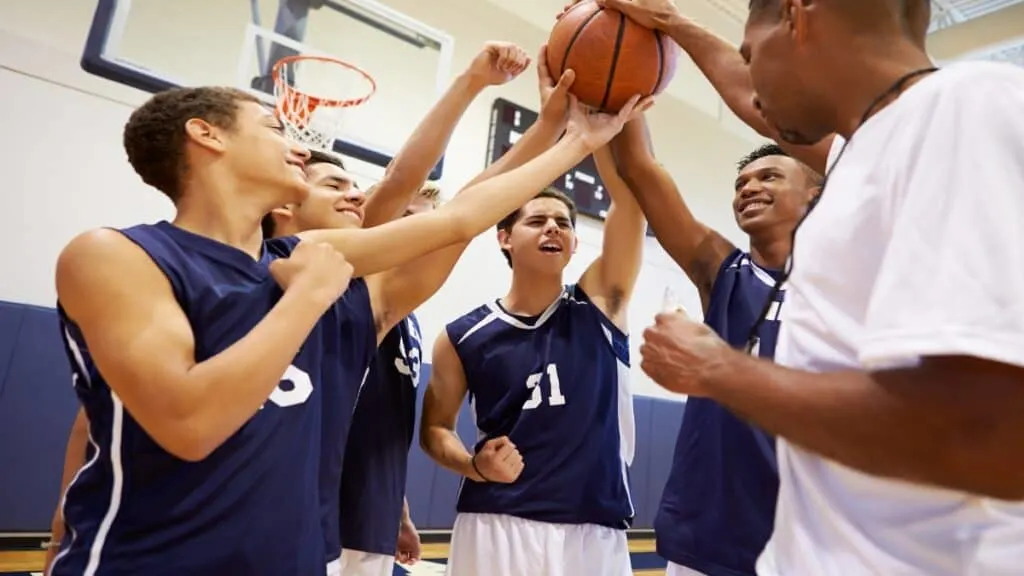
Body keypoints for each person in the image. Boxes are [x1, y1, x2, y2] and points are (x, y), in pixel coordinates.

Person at [49, 55, 648, 574]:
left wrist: (574, 139)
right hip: (149, 561)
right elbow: (191, 423)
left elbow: (457, 219)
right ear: (207, 136)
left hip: (303, 559)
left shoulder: (319, 259)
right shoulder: (115, 254)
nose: (299, 142)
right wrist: (306, 299)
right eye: (274, 125)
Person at [636, 1, 1024, 574]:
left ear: (800, 17)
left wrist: (717, 369)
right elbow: (755, 101)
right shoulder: (863, 151)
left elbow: (992, 435)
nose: (754, 89)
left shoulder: (965, 107)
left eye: (751, 54)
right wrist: (669, 23)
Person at [420, 134, 647, 576]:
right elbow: (434, 428)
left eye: (564, 223)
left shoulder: (602, 305)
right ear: (504, 238)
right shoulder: (462, 335)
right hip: (496, 520)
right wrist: (473, 465)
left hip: (594, 524)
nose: (554, 228)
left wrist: (599, 129)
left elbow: (631, 206)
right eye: (537, 220)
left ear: (575, 246)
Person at [611, 122, 819, 574]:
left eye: (769, 177)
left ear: (815, 195)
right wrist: (627, 99)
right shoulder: (726, 272)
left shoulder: (846, 290)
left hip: (809, 535)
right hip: (711, 535)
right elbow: (642, 169)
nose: (749, 187)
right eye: (741, 183)